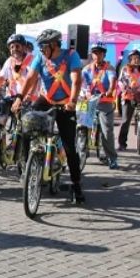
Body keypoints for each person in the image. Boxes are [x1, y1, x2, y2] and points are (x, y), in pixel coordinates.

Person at [11, 28, 85, 203]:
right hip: (46, 99)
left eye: (43, 47)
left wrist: (73, 101)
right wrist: (19, 98)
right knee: (27, 126)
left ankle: (76, 185)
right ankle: (30, 165)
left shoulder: (71, 56)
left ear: (53, 45)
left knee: (69, 148)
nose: (41, 50)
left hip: (66, 104)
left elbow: (76, 80)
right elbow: (31, 78)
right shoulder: (41, 57)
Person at [81, 42, 119, 168]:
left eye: (100, 53)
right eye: (95, 52)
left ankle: (112, 158)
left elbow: (113, 80)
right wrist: (84, 93)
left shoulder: (109, 68)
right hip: (89, 101)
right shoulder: (86, 69)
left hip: (104, 103)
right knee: (80, 125)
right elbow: (81, 83)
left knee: (107, 131)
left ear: (104, 54)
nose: (97, 55)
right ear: (92, 54)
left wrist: (109, 92)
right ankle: (81, 152)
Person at [117, 49, 140, 151]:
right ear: (130, 60)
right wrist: (125, 88)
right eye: (134, 58)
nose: (136, 60)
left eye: (138, 58)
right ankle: (122, 143)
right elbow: (120, 82)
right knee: (125, 121)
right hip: (129, 97)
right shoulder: (125, 69)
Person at [0, 33, 38, 102]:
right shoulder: (10, 61)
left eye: (17, 46)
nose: (14, 49)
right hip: (12, 98)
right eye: (12, 47)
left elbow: (35, 80)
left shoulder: (32, 60)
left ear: (24, 47)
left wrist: (29, 95)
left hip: (28, 100)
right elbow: (1, 78)